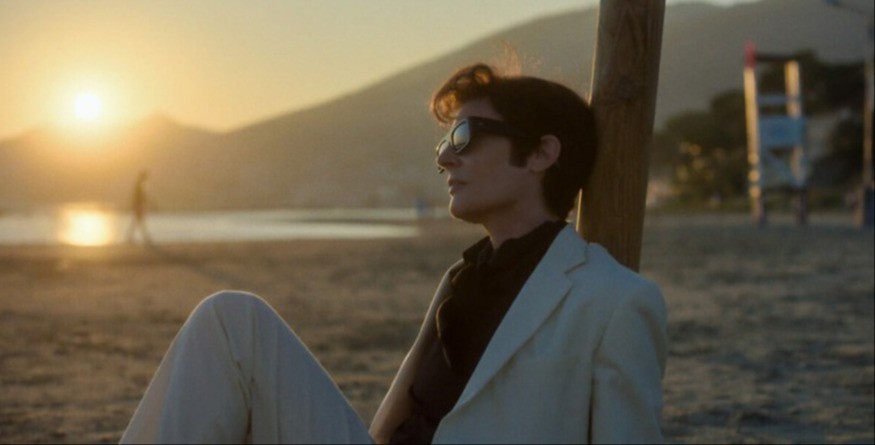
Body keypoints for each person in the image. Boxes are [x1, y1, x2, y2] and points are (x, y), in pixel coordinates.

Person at [120, 63, 667, 444]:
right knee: (230, 319)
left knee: (233, 318)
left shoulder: (614, 300)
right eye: (444, 143)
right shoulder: (461, 279)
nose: (445, 159)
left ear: (541, 153)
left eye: (465, 136)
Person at [125, 170, 152, 245]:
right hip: (138, 206)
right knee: (139, 222)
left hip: (138, 206)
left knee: (137, 222)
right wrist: (139, 206)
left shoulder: (139, 186)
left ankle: (130, 238)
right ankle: (145, 238)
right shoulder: (139, 186)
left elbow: (139, 197)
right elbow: (138, 197)